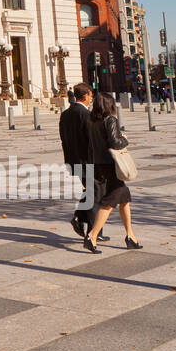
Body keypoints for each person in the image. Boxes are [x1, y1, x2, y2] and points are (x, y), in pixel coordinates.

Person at [83, 90, 141, 254]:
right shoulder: (110, 120)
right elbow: (116, 143)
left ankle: (130, 236)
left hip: (100, 164)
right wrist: (125, 138)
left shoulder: (93, 122)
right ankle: (92, 235)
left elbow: (91, 146)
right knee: (110, 201)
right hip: (112, 165)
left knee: (124, 199)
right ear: (109, 105)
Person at [58, 82, 106, 241]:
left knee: (92, 190)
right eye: (91, 96)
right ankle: (93, 232)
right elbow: (92, 141)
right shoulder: (86, 115)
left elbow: (63, 139)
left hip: (73, 160)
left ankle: (79, 217)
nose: (91, 98)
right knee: (96, 194)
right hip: (89, 161)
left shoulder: (65, 114)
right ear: (85, 96)